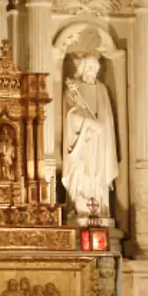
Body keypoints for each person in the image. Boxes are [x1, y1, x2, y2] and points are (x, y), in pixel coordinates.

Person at [62, 53, 117, 223]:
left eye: (95, 68)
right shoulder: (73, 88)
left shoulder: (102, 90)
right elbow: (69, 115)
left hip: (99, 142)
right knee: (81, 171)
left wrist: (101, 127)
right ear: (83, 68)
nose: (93, 71)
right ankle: (79, 207)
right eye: (90, 67)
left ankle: (99, 207)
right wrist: (86, 123)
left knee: (98, 172)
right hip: (81, 141)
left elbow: (107, 117)